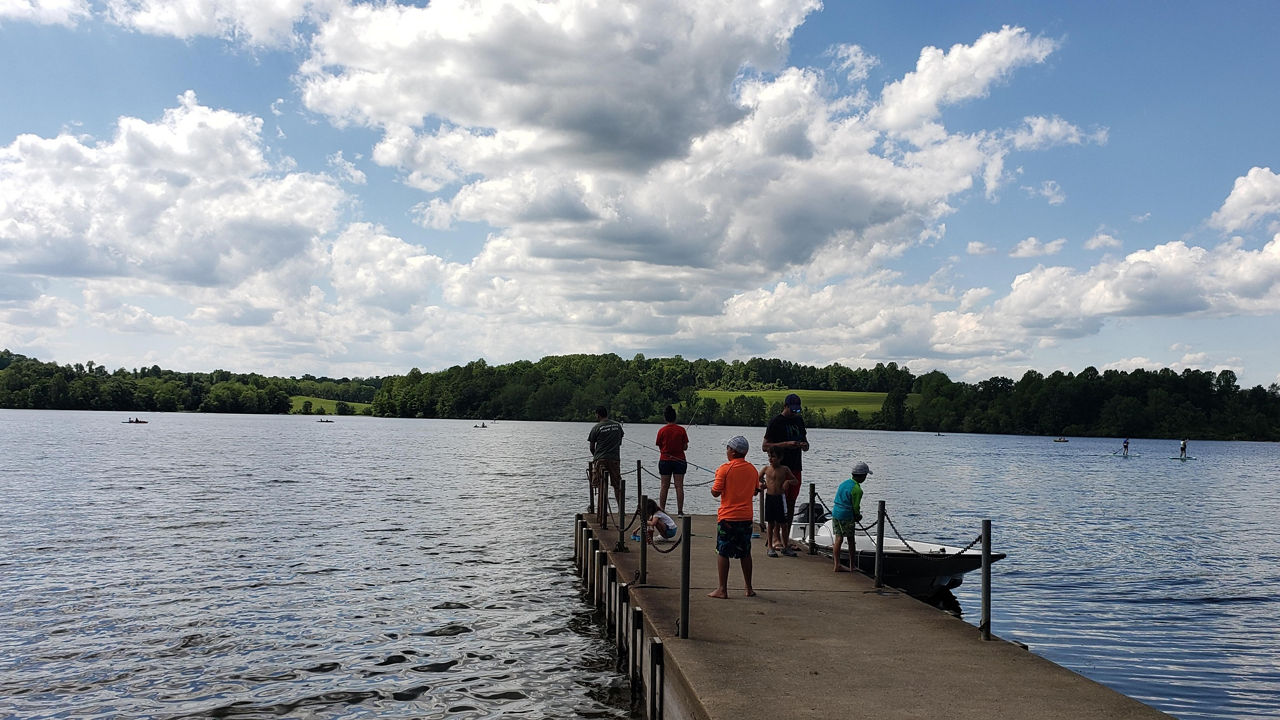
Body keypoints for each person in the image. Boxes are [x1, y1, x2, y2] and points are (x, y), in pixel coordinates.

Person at [708, 435, 760, 599]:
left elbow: (715, 492)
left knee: (723, 552)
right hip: (746, 517)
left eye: (728, 448)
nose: (727, 451)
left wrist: (718, 478)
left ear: (734, 451)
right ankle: (748, 588)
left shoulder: (724, 469)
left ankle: (722, 589)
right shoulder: (752, 470)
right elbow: (754, 490)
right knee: (745, 552)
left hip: (728, 517)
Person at [762, 393, 809, 550]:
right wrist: (786, 444)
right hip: (779, 469)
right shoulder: (776, 422)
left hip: (795, 467)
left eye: (797, 410)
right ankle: (774, 539)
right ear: (785, 406)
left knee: (790, 504)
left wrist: (803, 445)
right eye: (792, 410)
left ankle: (785, 539)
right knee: (777, 503)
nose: (795, 413)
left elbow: (807, 444)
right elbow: (765, 446)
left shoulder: (799, 420)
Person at [758, 448, 798, 557]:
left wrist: (788, 481)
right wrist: (761, 485)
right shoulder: (766, 469)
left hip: (780, 498)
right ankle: (770, 546)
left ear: (780, 458)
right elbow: (757, 478)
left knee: (783, 524)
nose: (771, 459)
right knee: (770, 524)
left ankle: (785, 547)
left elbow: (795, 481)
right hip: (770, 498)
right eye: (769, 457)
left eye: (773, 456)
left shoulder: (785, 469)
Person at [831, 462, 869, 572]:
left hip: (836, 513)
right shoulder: (857, 490)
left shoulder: (844, 483)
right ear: (862, 476)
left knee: (838, 538)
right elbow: (855, 507)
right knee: (851, 540)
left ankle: (837, 564)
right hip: (846, 516)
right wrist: (858, 516)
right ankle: (852, 566)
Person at [588, 406, 625, 514]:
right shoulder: (617, 426)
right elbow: (620, 441)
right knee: (617, 485)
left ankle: (602, 511)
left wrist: (596, 457)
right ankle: (621, 510)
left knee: (601, 485)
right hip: (614, 458)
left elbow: (591, 447)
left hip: (600, 459)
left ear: (598, 415)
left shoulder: (596, 428)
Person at [654, 405, 690, 514]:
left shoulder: (662, 431)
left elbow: (659, 445)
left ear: (665, 418)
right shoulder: (681, 430)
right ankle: (680, 511)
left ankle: (662, 510)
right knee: (679, 486)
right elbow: (685, 447)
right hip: (680, 460)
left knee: (664, 486)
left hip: (665, 460)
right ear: (675, 417)